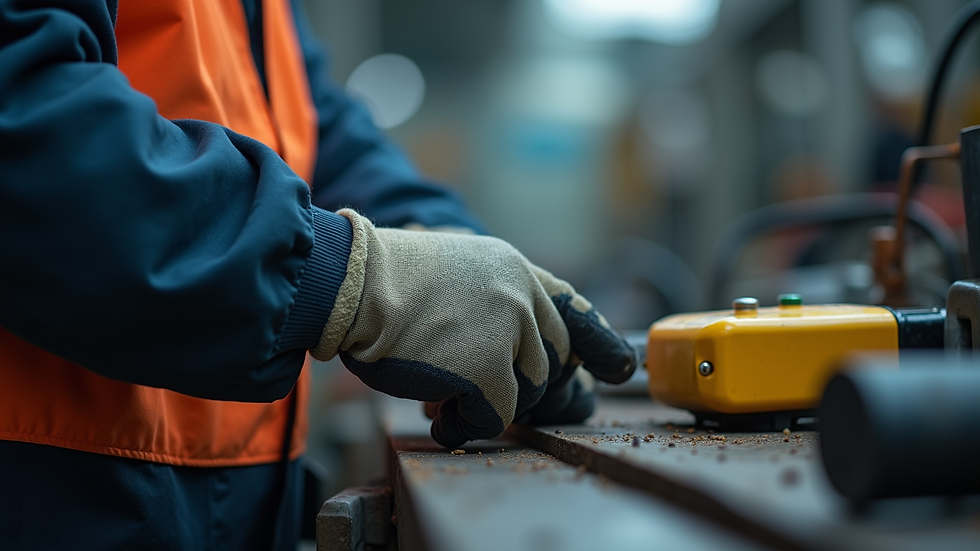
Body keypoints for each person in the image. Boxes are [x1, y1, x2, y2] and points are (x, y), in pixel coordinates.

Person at [0, 0, 637, 549]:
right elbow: (23, 112)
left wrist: (442, 244)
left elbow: (313, 123)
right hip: (49, 490)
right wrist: (348, 279)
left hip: (221, 493)